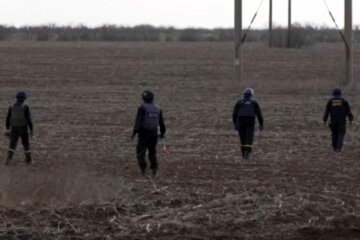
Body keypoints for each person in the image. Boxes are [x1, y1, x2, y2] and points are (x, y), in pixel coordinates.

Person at [131, 90, 166, 177]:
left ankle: (144, 169)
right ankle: (154, 169)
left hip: (144, 134)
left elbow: (138, 121)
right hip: (154, 134)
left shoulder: (142, 108)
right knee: (152, 152)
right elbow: (161, 123)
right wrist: (162, 133)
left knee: (140, 152)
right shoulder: (158, 108)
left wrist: (134, 132)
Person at [233, 88, 264, 159]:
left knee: (242, 137)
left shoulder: (239, 101)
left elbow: (235, 113)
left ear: (244, 94)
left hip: (241, 121)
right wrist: (261, 123)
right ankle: (247, 154)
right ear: (252, 94)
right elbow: (259, 114)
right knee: (249, 137)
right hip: (250, 121)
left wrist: (235, 123)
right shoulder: (254, 102)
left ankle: (243, 153)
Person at [5, 91, 34, 165]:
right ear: (24, 98)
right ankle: (29, 160)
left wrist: (8, 128)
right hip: (23, 128)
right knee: (26, 144)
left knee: (12, 144)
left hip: (14, 128)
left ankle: (9, 159)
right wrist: (31, 129)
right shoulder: (25, 107)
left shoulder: (11, 107)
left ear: (17, 98)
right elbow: (29, 120)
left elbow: (8, 119)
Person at [323, 88, 353, 152]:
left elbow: (327, 112)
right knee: (341, 134)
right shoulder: (344, 101)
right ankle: (339, 147)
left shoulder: (330, 101)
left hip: (333, 121)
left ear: (333, 94)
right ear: (340, 94)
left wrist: (324, 120)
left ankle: (334, 147)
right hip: (342, 121)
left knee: (334, 134)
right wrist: (350, 119)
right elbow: (348, 111)